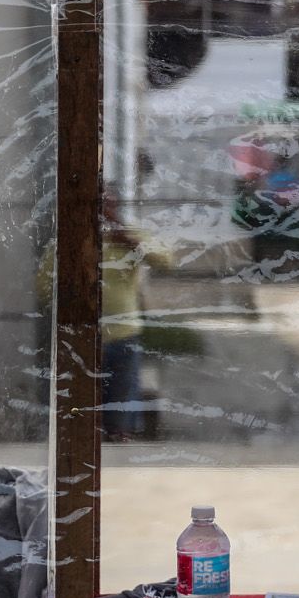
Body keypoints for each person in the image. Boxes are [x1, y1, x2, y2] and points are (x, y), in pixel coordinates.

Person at [98, 186, 176, 439]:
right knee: (86, 399)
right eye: (100, 204)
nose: (104, 210)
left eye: (109, 204)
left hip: (123, 332)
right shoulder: (73, 238)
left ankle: (119, 439)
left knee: (122, 397)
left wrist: (130, 241)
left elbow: (165, 261)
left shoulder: (127, 237)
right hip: (84, 333)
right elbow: (45, 284)